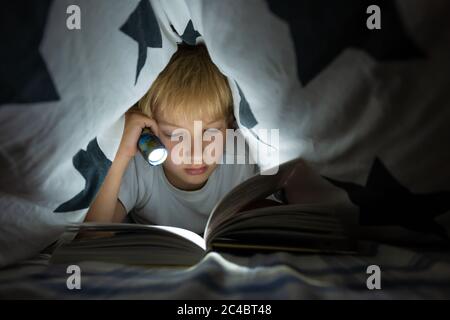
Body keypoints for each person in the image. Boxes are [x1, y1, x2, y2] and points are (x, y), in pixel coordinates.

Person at [85, 43, 260, 234]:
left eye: (210, 133)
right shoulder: (140, 167)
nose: (195, 153)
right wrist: (120, 156)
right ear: (149, 130)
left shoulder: (244, 156)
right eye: (175, 135)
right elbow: (92, 237)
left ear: (230, 125)